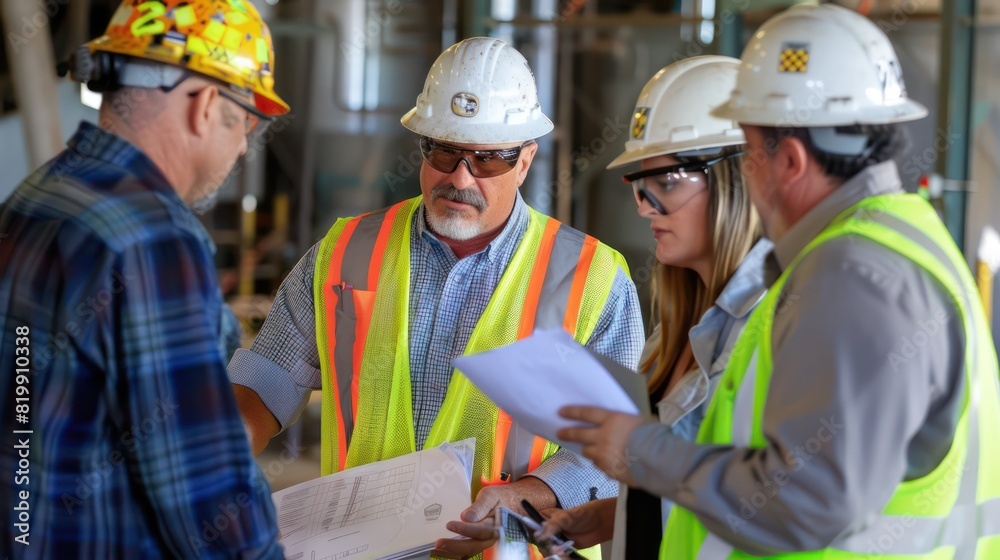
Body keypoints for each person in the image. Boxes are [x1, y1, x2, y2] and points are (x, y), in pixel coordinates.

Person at [555, 4, 1000, 558]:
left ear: (788, 159)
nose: (745, 172)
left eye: (748, 150)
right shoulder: (893, 243)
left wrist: (642, 450)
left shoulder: (849, 276)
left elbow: (806, 503)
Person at [228, 37, 645, 559]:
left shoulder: (594, 279)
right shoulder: (344, 252)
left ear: (525, 160)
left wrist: (530, 495)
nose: (460, 177)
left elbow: (616, 453)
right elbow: (265, 383)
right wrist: (213, 463)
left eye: (488, 159)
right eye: (444, 150)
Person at [0, 0, 289, 558]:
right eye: (248, 123)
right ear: (206, 103)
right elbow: (203, 486)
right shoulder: (152, 239)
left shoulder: (34, 197)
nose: (241, 146)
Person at [537, 56, 769, 558]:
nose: (644, 206)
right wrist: (615, 518)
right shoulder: (677, 333)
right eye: (641, 185)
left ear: (736, 179)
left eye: (665, 183)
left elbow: (775, 506)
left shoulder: (773, 325)